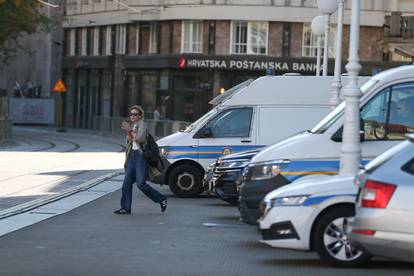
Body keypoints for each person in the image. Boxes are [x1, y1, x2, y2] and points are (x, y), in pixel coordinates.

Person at [114, 105, 167, 215]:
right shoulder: (133, 126)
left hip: (141, 157)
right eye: (131, 114)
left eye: (135, 114)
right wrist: (128, 132)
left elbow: (139, 138)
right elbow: (129, 141)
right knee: (126, 184)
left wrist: (130, 131)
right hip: (132, 157)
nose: (132, 116)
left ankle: (161, 199)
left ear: (140, 116)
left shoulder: (142, 125)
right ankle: (125, 208)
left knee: (141, 184)